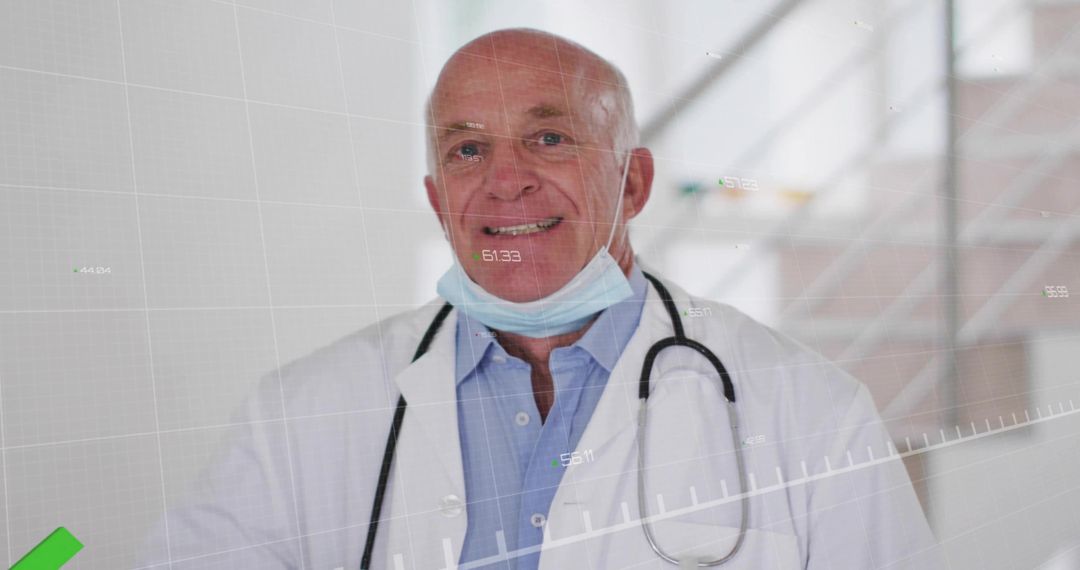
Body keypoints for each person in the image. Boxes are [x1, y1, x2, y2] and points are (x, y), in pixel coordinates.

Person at [138, 28, 945, 569]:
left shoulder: (809, 413)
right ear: (435, 198)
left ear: (633, 182)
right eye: (467, 149)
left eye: (549, 138)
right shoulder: (300, 416)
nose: (505, 178)